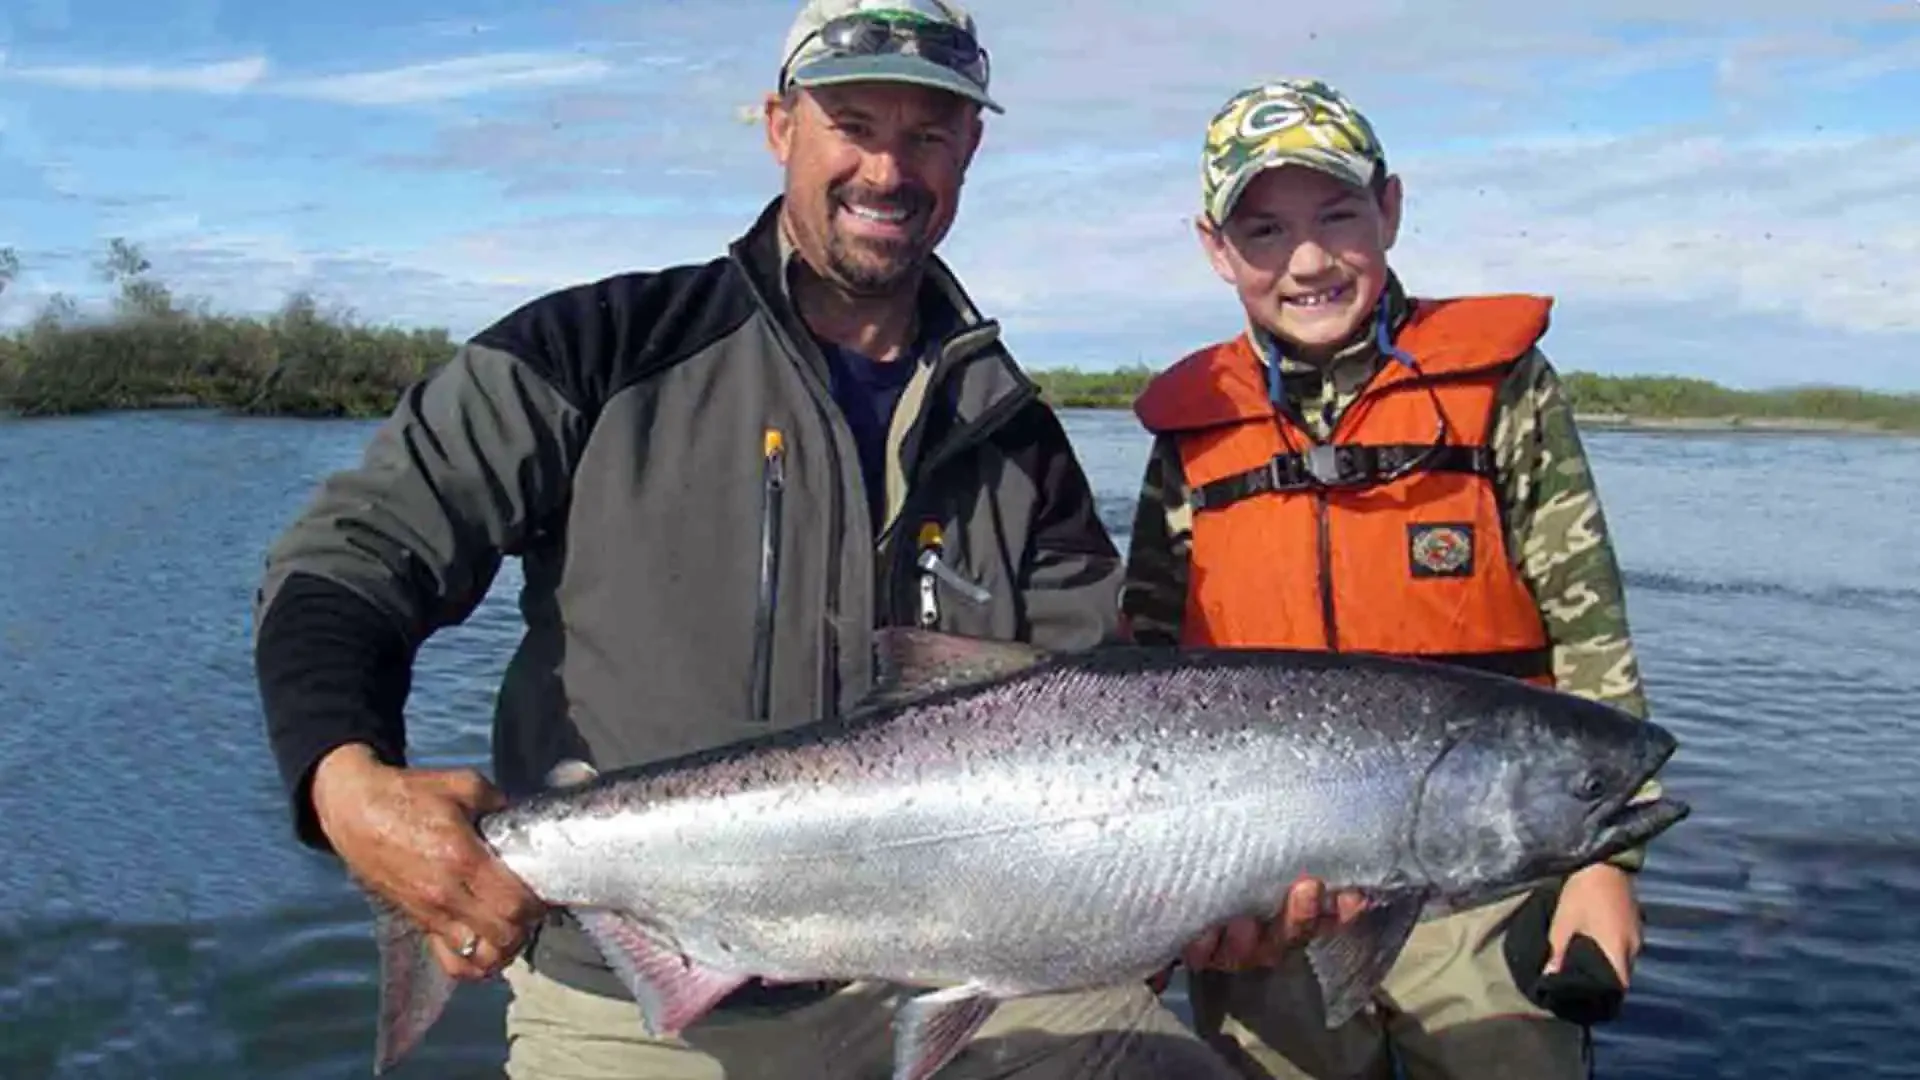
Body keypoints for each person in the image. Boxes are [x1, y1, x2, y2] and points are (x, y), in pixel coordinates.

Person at [251, 6, 1347, 1078]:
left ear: (970, 149)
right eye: (853, 125)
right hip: (639, 1002)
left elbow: (1100, 715)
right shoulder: (597, 349)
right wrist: (343, 778)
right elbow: (350, 555)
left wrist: (1205, 888)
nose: (888, 169)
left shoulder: (1019, 436)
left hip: (978, 978)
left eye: (927, 134)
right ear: (780, 128)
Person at [1118, 76, 1665, 1080]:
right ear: (1216, 249)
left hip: (1483, 894)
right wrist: (1144, 911)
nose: (1309, 260)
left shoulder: (1504, 390)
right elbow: (1138, 683)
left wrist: (1605, 867)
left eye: (1338, 215)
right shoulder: (1193, 429)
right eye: (1265, 230)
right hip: (1263, 906)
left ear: (1392, 209)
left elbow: (1592, 637)